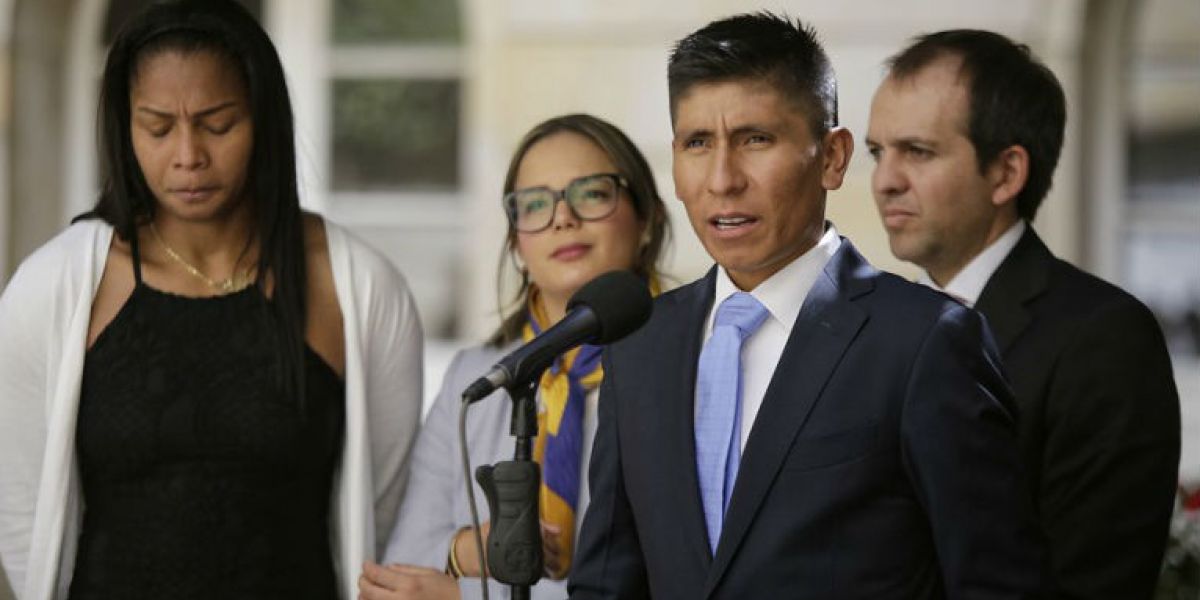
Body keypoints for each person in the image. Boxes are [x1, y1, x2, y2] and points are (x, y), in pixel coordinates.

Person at [568, 13, 1045, 599]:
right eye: (698, 143)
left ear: (833, 158)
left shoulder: (926, 341)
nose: (722, 179)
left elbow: (997, 586)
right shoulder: (641, 343)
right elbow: (606, 583)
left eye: (756, 139)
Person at [0, 1, 423, 598]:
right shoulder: (54, 286)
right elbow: (21, 514)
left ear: (263, 120)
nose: (187, 156)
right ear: (125, 126)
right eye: (157, 127)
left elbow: (384, 511)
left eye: (218, 124)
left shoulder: (358, 286)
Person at [866, 29, 1180, 598]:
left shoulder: (1103, 339)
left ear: (1006, 173)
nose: (885, 181)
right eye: (877, 152)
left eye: (917, 151)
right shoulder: (869, 325)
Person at [358, 114, 669, 600]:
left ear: (647, 217)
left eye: (591, 193)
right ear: (516, 243)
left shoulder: (687, 368)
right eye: (535, 204)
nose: (562, 218)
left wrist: (462, 593)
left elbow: (666, 581)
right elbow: (400, 566)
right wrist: (468, 550)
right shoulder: (477, 378)